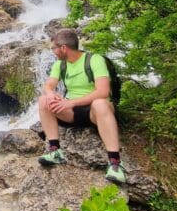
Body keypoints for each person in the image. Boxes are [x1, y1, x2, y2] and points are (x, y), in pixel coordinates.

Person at [37, 28, 126, 184]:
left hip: (95, 112)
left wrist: (71, 102)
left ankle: (115, 163)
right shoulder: (60, 64)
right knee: (44, 100)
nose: (53, 52)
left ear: (63, 48)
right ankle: (55, 151)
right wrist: (50, 93)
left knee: (99, 103)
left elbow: (103, 91)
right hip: (72, 113)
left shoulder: (94, 60)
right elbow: (49, 85)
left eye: (54, 48)